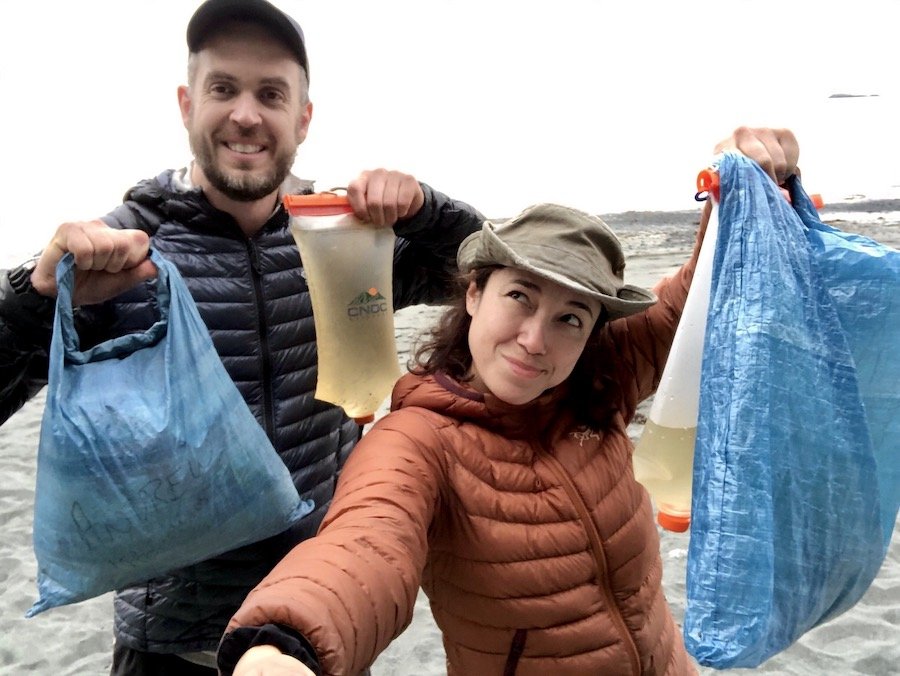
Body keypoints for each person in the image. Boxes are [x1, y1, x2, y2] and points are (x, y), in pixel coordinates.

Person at [0, 0, 483, 673]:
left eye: (271, 93)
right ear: (186, 103)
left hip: (317, 624)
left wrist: (428, 209)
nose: (247, 114)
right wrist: (33, 298)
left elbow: (490, 283)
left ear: (303, 118)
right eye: (222, 88)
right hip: (171, 648)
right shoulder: (126, 248)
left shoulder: (344, 241)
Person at [213, 127, 801, 675]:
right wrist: (283, 645)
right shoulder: (417, 440)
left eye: (570, 317)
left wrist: (740, 187)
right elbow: (364, 546)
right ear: (474, 292)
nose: (535, 339)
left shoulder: (601, 382)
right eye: (520, 295)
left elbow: (698, 295)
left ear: (593, 332)